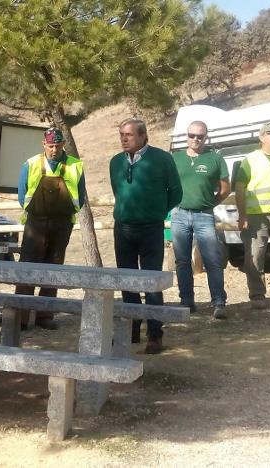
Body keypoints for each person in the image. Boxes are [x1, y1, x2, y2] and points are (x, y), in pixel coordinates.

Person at [110, 118, 182, 354]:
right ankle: (131, 329)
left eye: (128, 135)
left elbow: (176, 193)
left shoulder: (162, 159)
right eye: (121, 134)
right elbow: (118, 191)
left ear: (142, 136)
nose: (124, 139)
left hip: (150, 228)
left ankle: (154, 334)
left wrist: (156, 213)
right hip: (123, 228)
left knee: (151, 283)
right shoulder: (115, 162)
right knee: (127, 281)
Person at [15, 127, 85, 330]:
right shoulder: (31, 164)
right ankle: (21, 316)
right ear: (43, 144)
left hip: (62, 224)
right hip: (35, 222)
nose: (54, 150)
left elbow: (80, 196)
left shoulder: (75, 166)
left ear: (64, 144)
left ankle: (45, 315)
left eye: (58, 145)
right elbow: (21, 195)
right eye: (50, 146)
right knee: (28, 268)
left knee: (53, 267)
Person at [171, 121, 230, 319]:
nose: (195, 139)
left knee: (213, 259)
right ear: (186, 136)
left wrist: (210, 203)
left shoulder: (215, 159)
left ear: (206, 137)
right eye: (192, 135)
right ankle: (186, 301)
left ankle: (219, 301)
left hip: (205, 215)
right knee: (182, 261)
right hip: (179, 215)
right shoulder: (175, 158)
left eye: (200, 136)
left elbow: (225, 189)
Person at [235, 121, 270, 309]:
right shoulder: (250, 160)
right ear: (261, 137)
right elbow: (240, 188)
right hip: (256, 216)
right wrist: (242, 215)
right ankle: (257, 295)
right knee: (255, 255)